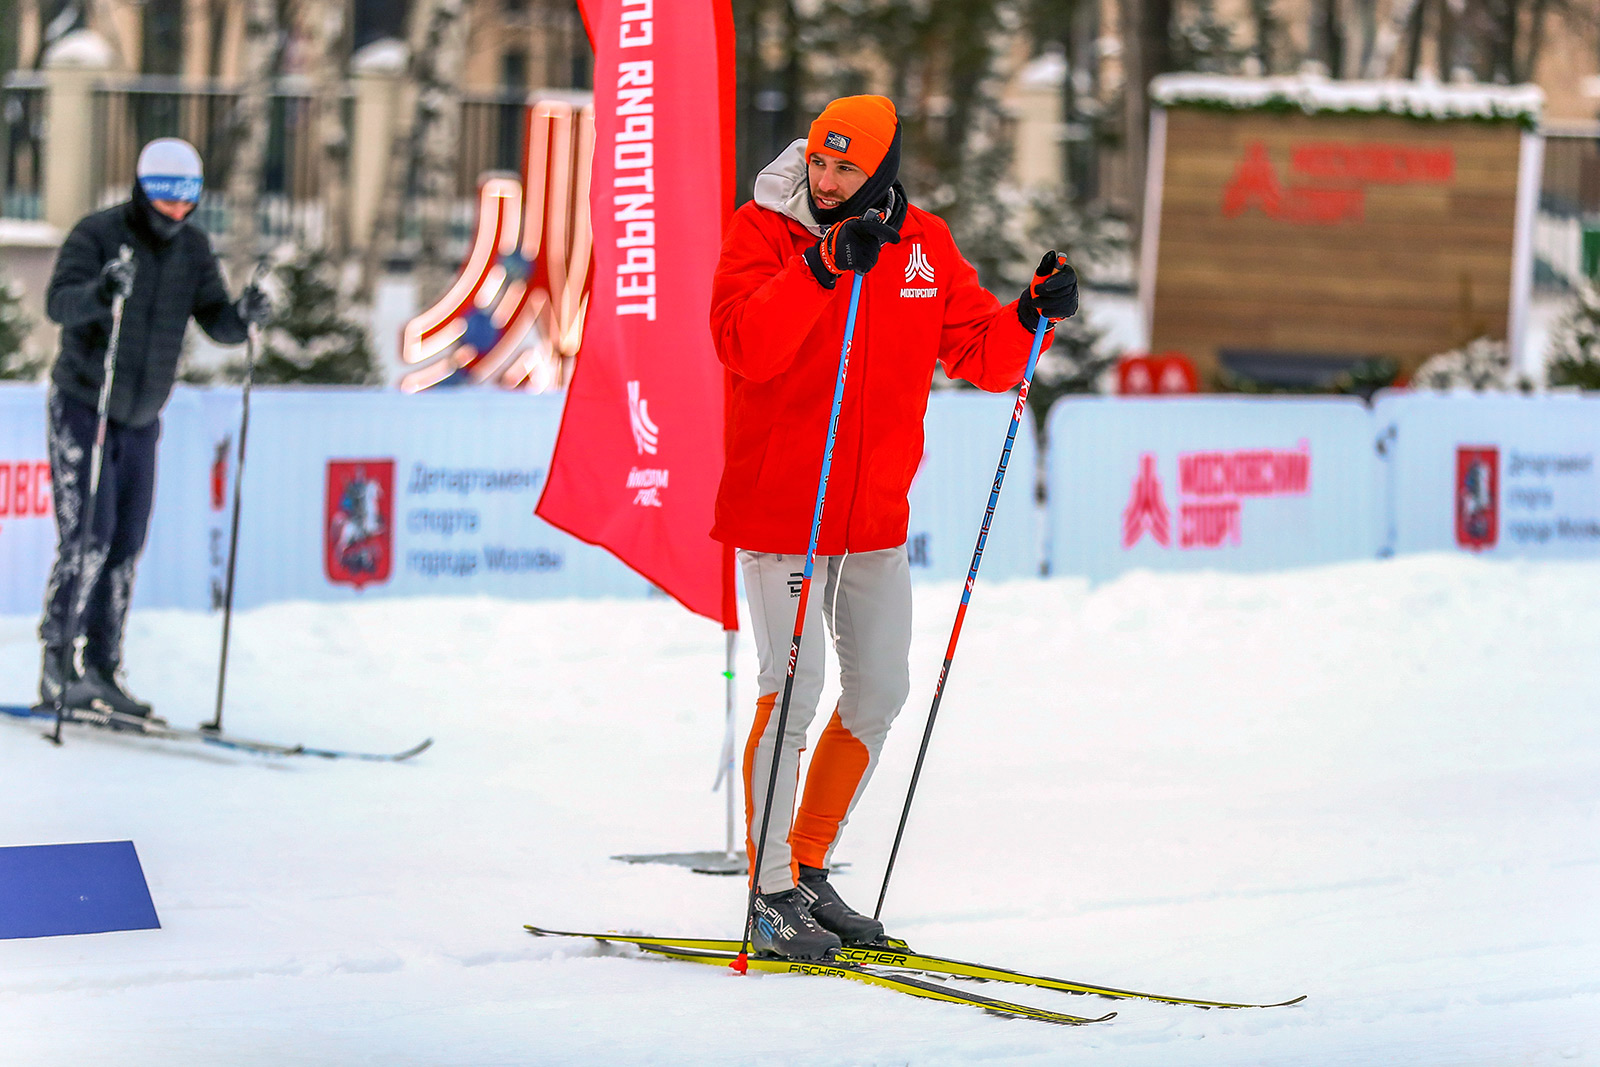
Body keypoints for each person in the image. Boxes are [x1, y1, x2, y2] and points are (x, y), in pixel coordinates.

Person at [710, 95, 1079, 959]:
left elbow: (981, 352)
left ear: (881, 170)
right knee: (791, 696)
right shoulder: (765, 231)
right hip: (783, 511)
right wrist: (821, 269)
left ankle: (804, 866)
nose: (827, 181)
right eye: (820, 163)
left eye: (847, 168)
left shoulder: (925, 246)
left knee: (879, 690)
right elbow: (741, 345)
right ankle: (766, 893)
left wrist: (1032, 314)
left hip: (873, 515)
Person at [36, 137, 271, 720]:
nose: (175, 212)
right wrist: (100, 291)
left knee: (125, 542)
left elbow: (214, 316)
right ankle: (57, 662)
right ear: (142, 191)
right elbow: (58, 303)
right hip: (84, 406)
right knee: (88, 536)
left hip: (143, 416)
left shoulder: (192, 249)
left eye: (186, 200)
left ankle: (103, 667)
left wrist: (242, 319)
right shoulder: (98, 235)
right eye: (164, 199)